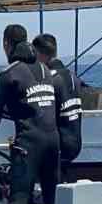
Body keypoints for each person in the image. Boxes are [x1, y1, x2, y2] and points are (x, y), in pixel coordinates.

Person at [0, 24, 63, 204]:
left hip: (29, 146)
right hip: (53, 142)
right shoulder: (45, 70)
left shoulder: (8, 74)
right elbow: (32, 107)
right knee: (51, 198)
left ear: (6, 43)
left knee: (18, 199)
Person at [32, 33, 83, 171]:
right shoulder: (73, 77)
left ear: (38, 53)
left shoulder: (50, 79)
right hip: (76, 142)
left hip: (58, 145)